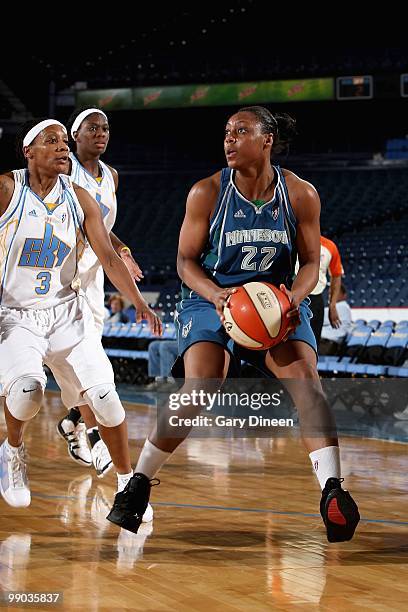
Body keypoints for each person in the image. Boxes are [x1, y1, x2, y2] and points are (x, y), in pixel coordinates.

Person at [112, 106, 360, 542]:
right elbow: (185, 262)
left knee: (307, 382)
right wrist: (217, 296)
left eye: (240, 131)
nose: (228, 139)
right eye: (226, 132)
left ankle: (332, 490)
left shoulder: (301, 194)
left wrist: (293, 299)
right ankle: (138, 484)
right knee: (202, 386)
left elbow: (309, 264)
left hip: (274, 300)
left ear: (267, 140)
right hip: (212, 296)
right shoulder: (206, 192)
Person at [0, 119, 161, 534]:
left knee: (106, 397)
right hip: (15, 314)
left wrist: (138, 302)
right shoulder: (6, 190)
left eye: (63, 142)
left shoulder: (80, 197)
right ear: (28, 151)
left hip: (67, 311)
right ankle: (13, 451)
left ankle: (128, 483)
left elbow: (108, 256)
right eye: (50, 141)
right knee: (28, 392)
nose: (61, 148)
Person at [53, 108, 142, 477]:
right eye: (92, 128)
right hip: (60, 273)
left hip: (94, 275)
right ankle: (91, 431)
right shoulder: (62, 169)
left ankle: (75, 419)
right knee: (73, 356)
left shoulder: (111, 176)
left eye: (105, 128)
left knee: (87, 356)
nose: (100, 133)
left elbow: (102, 232)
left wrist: (123, 252)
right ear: (75, 135)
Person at [307, 235, 344, 347]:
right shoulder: (292, 239)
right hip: (292, 297)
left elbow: (337, 276)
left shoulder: (329, 246)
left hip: (315, 299)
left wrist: (332, 305)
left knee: (313, 344)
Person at [320, 283, 352, 355]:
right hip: (324, 343)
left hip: (328, 345)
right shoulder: (334, 307)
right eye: (330, 293)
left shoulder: (342, 306)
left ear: (344, 295)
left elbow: (317, 316)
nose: (330, 296)